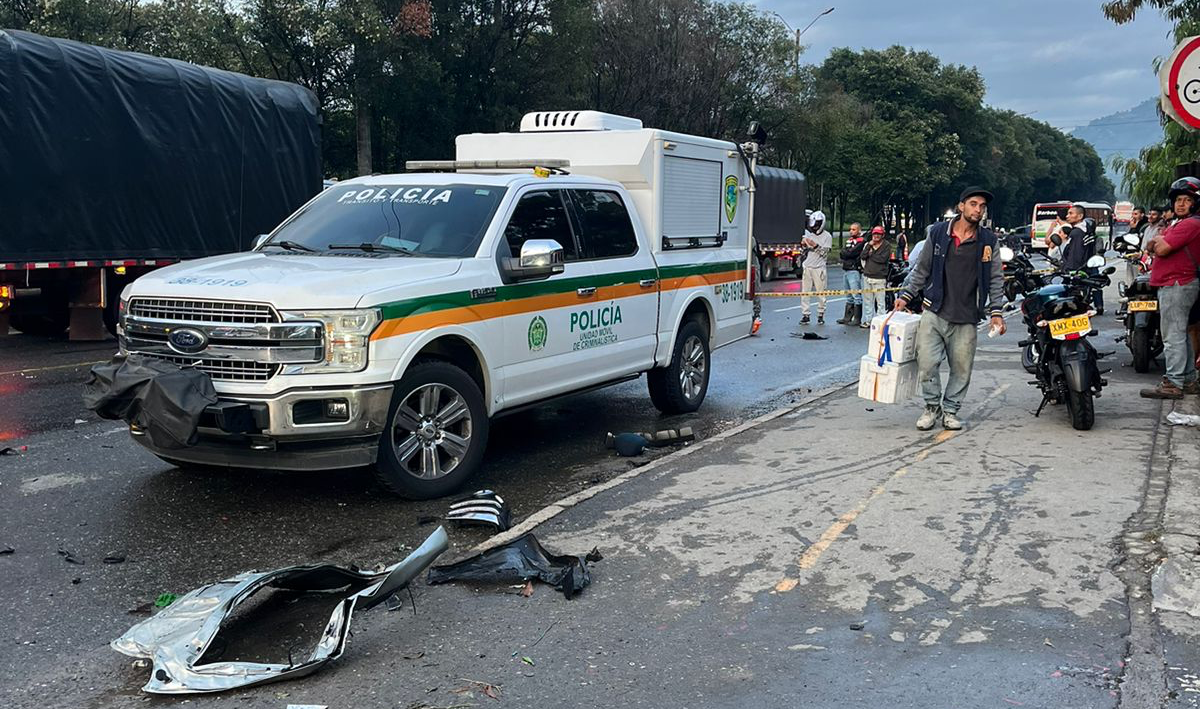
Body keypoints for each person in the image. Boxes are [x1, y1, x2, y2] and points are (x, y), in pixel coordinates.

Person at [894, 187, 1005, 431]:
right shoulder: (938, 233)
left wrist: (996, 311)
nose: (978, 209)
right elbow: (921, 269)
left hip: (967, 316)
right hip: (934, 311)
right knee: (927, 363)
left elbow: (996, 278)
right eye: (973, 204)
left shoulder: (988, 241)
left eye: (982, 206)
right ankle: (931, 408)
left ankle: (951, 411)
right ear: (961, 206)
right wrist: (906, 295)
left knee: (962, 369)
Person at [1139, 177, 1200, 399]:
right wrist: (1158, 241)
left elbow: (1161, 248)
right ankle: (1189, 380)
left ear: (1195, 203)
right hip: (1176, 283)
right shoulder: (1180, 224)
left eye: (1186, 200)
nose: (1181, 204)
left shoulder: (1191, 224)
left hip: (1177, 284)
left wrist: (1159, 242)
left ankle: (1173, 383)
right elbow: (1150, 244)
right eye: (1178, 200)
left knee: (1172, 335)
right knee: (1181, 333)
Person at [799, 210, 832, 325]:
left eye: (816, 225)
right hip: (808, 266)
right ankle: (805, 314)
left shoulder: (827, 236)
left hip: (819, 268)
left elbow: (825, 253)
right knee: (805, 292)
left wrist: (815, 245)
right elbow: (804, 250)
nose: (814, 228)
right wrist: (804, 244)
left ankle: (820, 314)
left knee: (821, 292)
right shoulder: (810, 235)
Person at [860, 226, 892, 328]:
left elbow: (882, 259)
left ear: (882, 235)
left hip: (879, 277)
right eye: (874, 234)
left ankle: (880, 322)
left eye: (878, 234)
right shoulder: (868, 245)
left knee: (880, 302)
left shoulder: (886, 246)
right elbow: (863, 256)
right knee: (868, 300)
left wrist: (871, 254)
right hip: (867, 276)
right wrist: (869, 247)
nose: (876, 236)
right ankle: (868, 320)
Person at [837, 223, 866, 326]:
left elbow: (851, 253)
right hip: (846, 268)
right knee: (849, 295)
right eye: (850, 229)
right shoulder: (849, 241)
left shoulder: (861, 241)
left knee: (856, 295)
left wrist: (847, 253)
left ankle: (857, 318)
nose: (851, 231)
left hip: (854, 269)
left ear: (859, 230)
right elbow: (842, 253)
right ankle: (847, 317)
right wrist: (847, 253)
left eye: (853, 229)